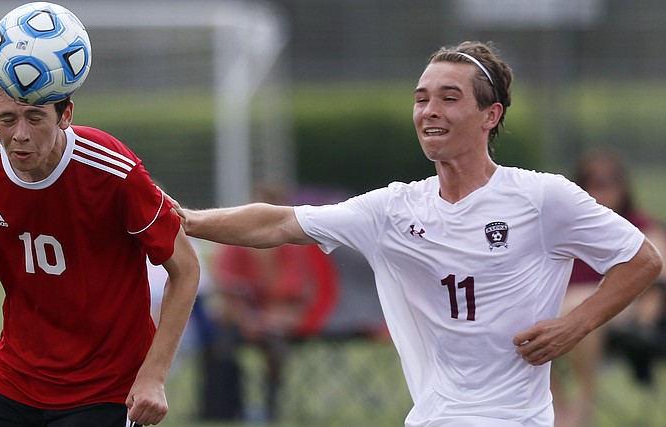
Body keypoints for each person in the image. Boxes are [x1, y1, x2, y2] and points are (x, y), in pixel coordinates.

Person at [167, 41, 664, 426]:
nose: (430, 110)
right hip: (431, 417)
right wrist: (182, 219)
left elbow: (642, 260)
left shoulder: (542, 196)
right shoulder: (393, 208)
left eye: (450, 98)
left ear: (491, 116)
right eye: (422, 98)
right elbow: (277, 221)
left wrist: (575, 325)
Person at [0, 58, 200, 427]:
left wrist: (154, 375)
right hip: (14, 380)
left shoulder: (113, 169)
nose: (20, 134)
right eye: (7, 119)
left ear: (65, 114)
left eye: (35, 118)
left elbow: (186, 269)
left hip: (108, 389)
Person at [553, 149, 666, 427]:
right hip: (561, 306)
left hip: (617, 307)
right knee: (529, 322)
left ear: (622, 187)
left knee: (581, 307)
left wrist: (645, 320)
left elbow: (657, 269)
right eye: (592, 183)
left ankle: (585, 400)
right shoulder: (567, 230)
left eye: (609, 183)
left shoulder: (640, 226)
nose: (601, 191)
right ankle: (555, 407)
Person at [207, 183, 338, 421]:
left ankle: (269, 407)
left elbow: (302, 294)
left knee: (274, 341)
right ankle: (225, 405)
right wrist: (247, 316)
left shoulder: (296, 249)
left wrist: (274, 318)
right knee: (218, 330)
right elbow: (226, 288)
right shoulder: (234, 243)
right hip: (240, 319)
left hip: (280, 322)